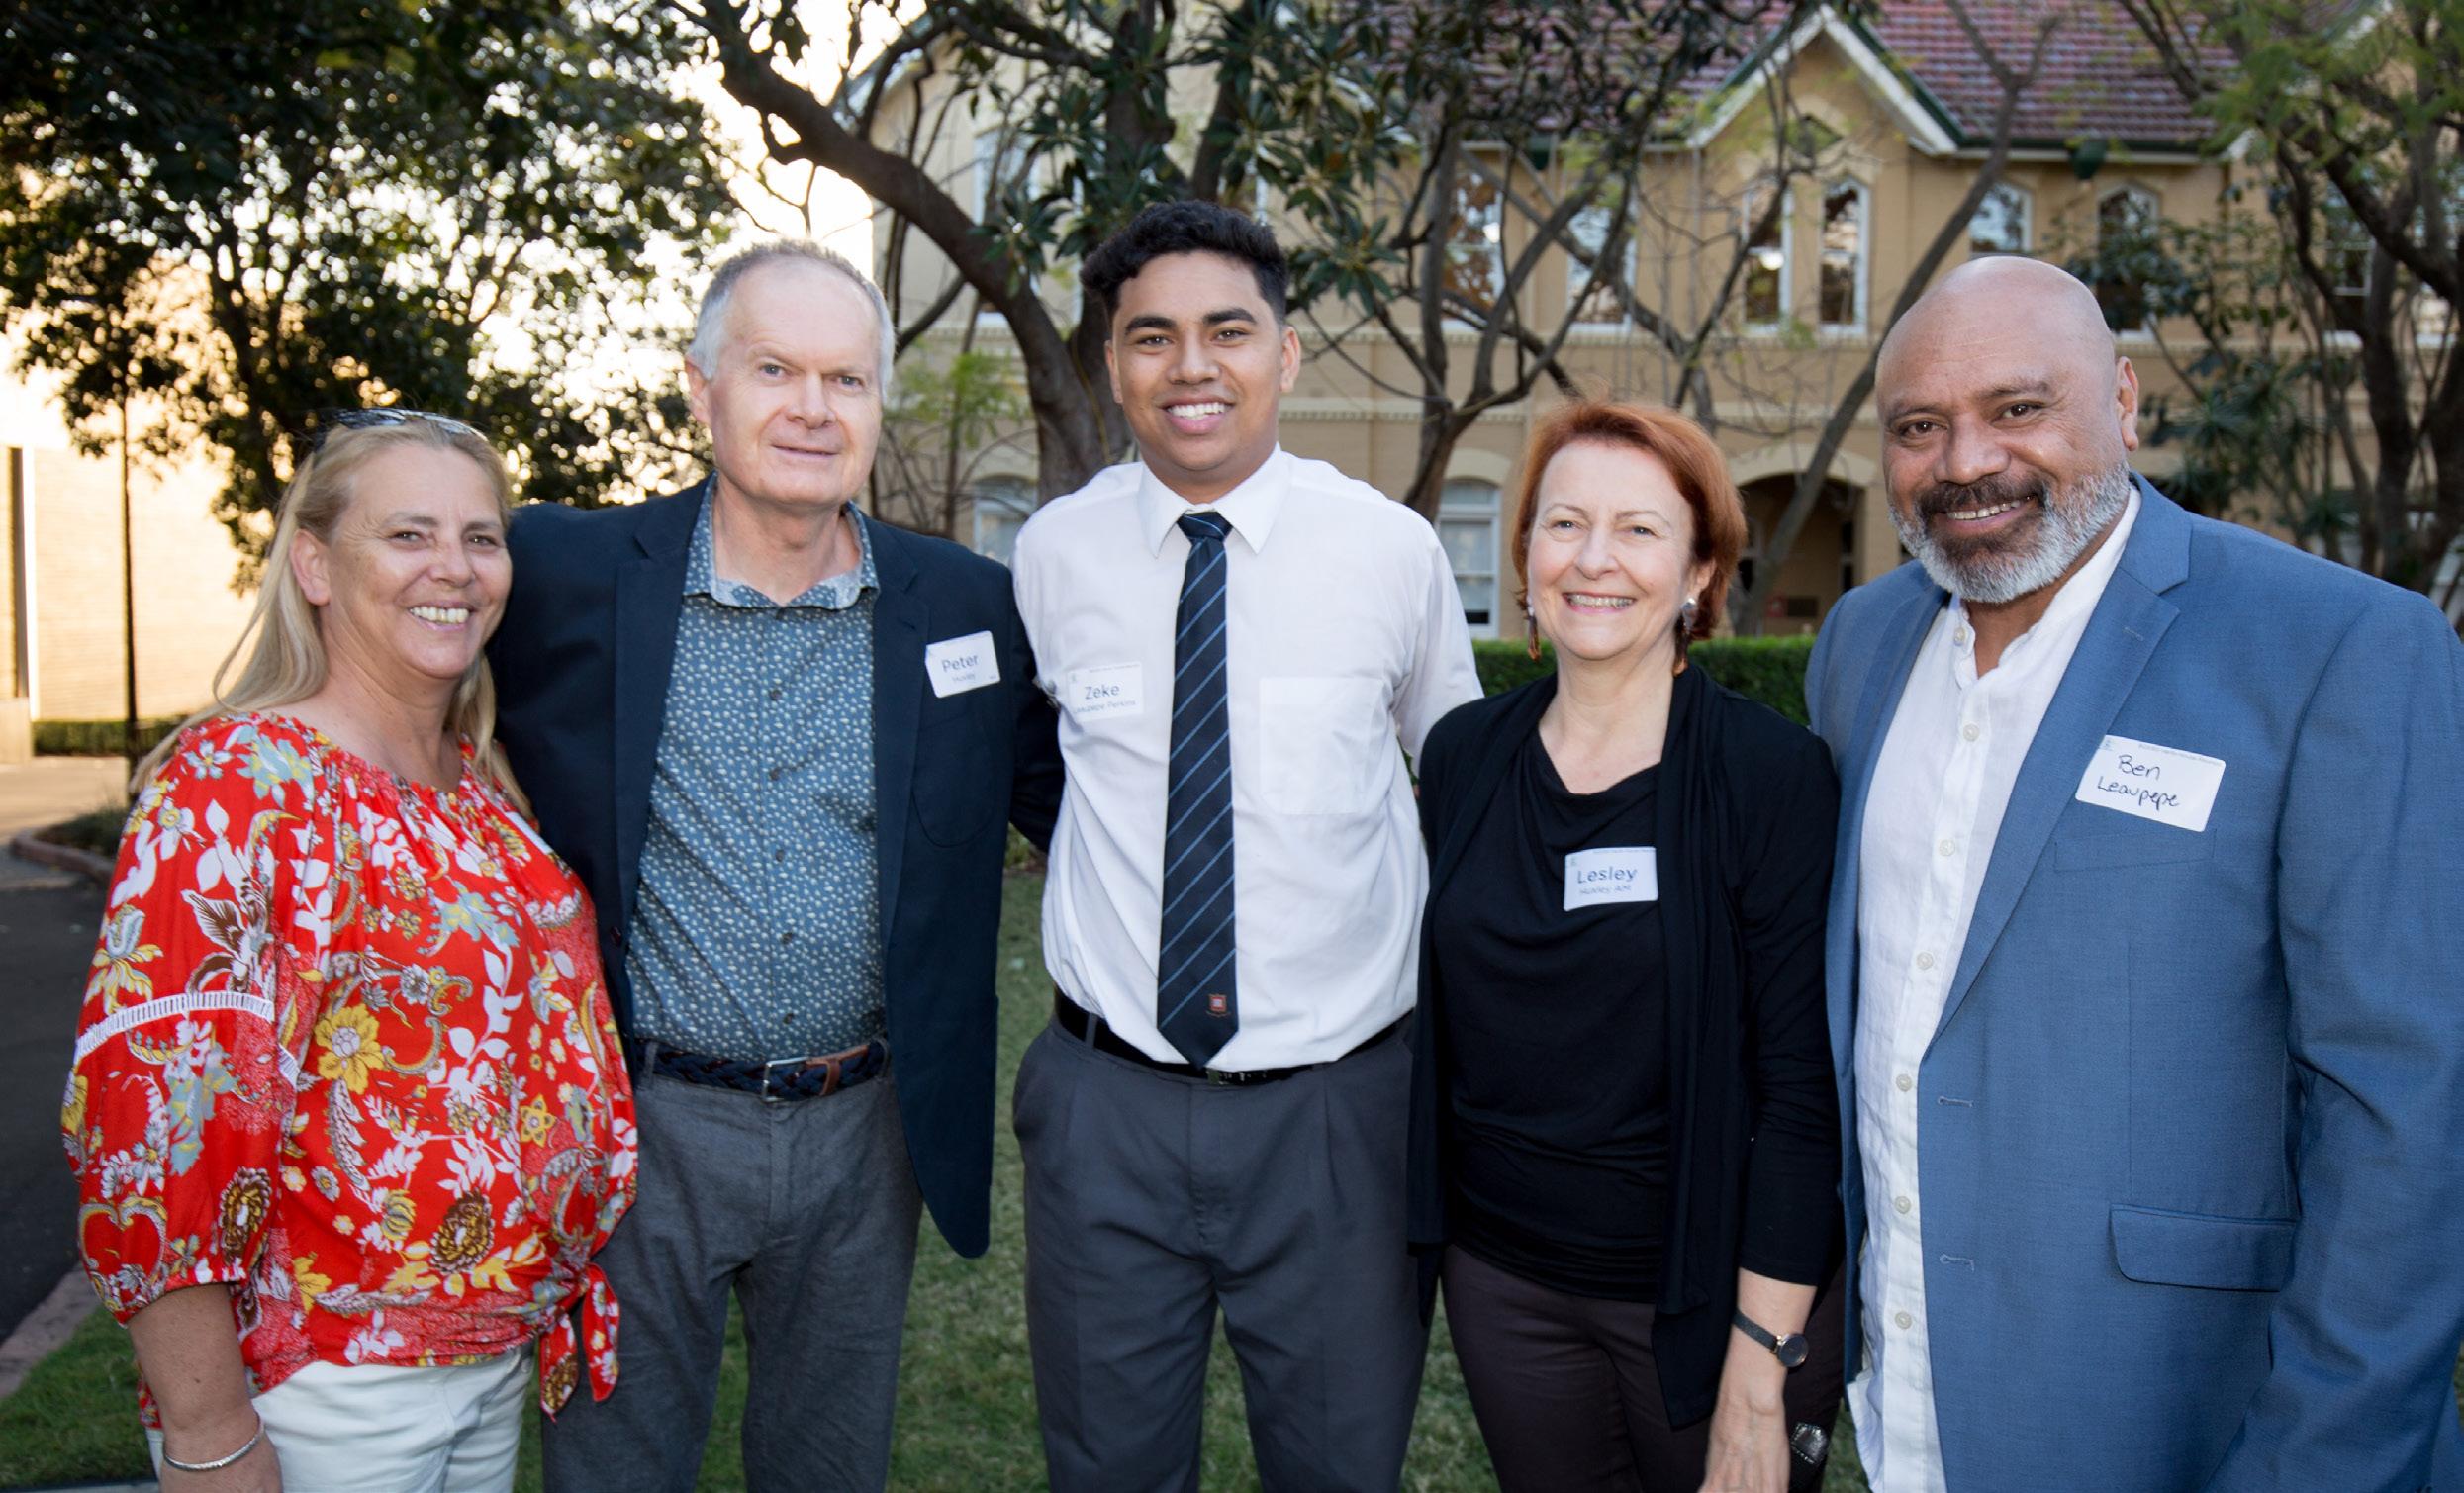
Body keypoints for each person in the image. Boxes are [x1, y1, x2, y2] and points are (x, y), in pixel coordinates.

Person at [1806, 254, 2464, 1491]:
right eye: (1918, 427)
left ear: (2124, 401)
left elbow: (2408, 1111)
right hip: (1909, 1398)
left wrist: (2324, 1463)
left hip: (2196, 1414)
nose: (1966, 462)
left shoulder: (2341, 648)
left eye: (2018, 408)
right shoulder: (1860, 644)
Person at [486, 240, 1063, 1492]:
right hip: (643, 1128)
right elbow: (406, 656)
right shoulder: (564, 576)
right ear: (701, 389)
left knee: (829, 1468)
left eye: (846, 379)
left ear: (879, 404)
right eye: (773, 370)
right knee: (616, 1469)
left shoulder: (967, 605)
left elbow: (1080, 809)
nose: (813, 407)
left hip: (867, 1133)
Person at [62, 410, 634, 1492]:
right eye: (409, 534)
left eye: (480, 537)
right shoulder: (243, 785)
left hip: (488, 1363)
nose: (454, 568)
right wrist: (209, 1431)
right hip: (329, 1381)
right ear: (316, 564)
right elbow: (152, 1127)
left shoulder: (479, 783)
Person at [1006, 199, 1480, 1490]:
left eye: (1228, 331)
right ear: (1113, 366)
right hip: (1106, 1108)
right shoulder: (1052, 555)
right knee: (1107, 1470)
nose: (1191, 367)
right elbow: (1042, 768)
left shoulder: (1390, 552)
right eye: (1150, 337)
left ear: (1287, 352)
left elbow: (1461, 789)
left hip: (1338, 1113)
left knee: (1337, 1468)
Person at [1405, 401, 1843, 1493]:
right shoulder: (1463, 756)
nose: (1594, 559)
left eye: (1640, 530)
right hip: (1504, 1283)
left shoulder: (1770, 776)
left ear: (1700, 572)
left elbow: (1803, 1094)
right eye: (1565, 525)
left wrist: (1762, 1366)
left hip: (1710, 1293)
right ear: (1526, 558)